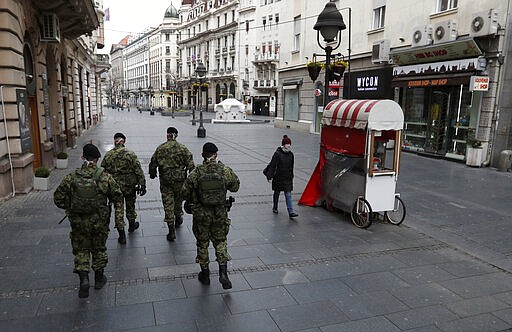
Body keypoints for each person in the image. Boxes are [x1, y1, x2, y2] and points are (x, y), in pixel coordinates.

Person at [53, 143, 123, 298]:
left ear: (82, 157)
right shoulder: (105, 176)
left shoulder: (71, 177)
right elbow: (117, 196)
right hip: (99, 221)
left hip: (78, 222)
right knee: (99, 248)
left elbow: (58, 198)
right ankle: (99, 279)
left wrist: (71, 207)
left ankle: (84, 279)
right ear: (97, 159)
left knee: (81, 250)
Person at [182, 142, 240, 289]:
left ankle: (205, 275)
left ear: (203, 155)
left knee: (202, 243)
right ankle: (223, 273)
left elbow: (184, 192)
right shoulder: (224, 170)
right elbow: (235, 187)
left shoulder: (197, 172)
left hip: (201, 215)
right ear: (216, 154)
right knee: (220, 242)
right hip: (219, 213)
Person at [149, 127, 195, 241]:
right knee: (178, 200)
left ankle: (171, 231)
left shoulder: (160, 148)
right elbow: (191, 165)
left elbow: (153, 163)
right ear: (176, 135)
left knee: (168, 204)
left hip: (166, 181)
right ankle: (178, 217)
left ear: (167, 135)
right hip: (180, 181)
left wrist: (152, 173)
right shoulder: (183, 148)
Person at [101, 132, 146, 244]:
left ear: (115, 141)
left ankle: (122, 235)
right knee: (130, 206)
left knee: (118, 209)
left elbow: (102, 172)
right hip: (129, 186)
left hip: (115, 188)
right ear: (124, 141)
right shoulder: (130, 154)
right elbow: (138, 170)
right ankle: (131, 226)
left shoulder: (108, 155)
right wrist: (143, 184)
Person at [265, 135, 299, 218]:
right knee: (277, 193)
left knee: (288, 194)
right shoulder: (277, 154)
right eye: (287, 144)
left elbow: (291, 166)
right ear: (283, 145)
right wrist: (270, 176)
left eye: (289, 144)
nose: (289, 146)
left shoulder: (291, 155)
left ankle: (290, 211)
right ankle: (275, 207)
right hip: (278, 177)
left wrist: (291, 176)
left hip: (287, 178)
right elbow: (272, 165)